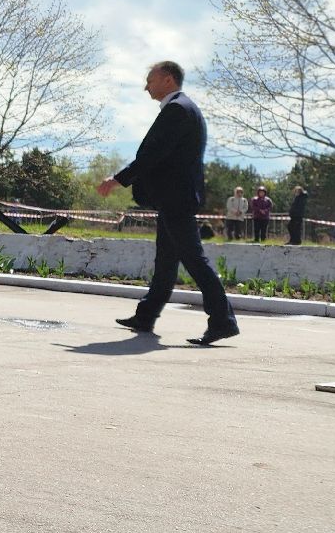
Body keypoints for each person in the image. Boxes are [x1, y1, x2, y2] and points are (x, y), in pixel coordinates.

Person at [96, 60, 238, 346]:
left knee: (195, 260)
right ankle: (146, 315)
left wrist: (118, 179)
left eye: (150, 79)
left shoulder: (178, 110)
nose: (146, 86)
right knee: (165, 262)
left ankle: (223, 321)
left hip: (176, 199)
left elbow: (153, 155)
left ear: (168, 79)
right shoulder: (184, 109)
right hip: (174, 198)